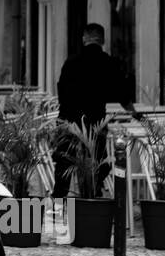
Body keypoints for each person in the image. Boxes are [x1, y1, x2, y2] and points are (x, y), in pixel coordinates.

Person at [53, 22, 136, 196]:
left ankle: (58, 206)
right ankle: (92, 200)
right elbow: (123, 93)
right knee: (97, 163)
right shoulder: (109, 63)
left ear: (84, 38)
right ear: (102, 40)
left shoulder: (71, 62)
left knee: (63, 166)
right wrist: (134, 113)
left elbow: (61, 92)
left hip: (69, 121)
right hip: (95, 123)